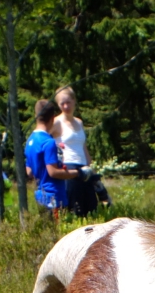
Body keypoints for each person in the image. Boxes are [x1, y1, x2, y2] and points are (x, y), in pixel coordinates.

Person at [25, 99, 78, 222]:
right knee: (58, 234)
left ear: (36, 116)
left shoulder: (30, 141)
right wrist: (77, 173)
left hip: (39, 196)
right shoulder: (48, 142)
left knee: (46, 231)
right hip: (54, 196)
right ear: (53, 118)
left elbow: (29, 172)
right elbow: (53, 172)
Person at [54, 86, 102, 215]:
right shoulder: (56, 123)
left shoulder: (79, 122)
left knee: (90, 206)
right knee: (74, 208)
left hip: (84, 167)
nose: (65, 106)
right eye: (62, 103)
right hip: (68, 167)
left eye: (68, 102)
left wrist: (92, 169)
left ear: (74, 101)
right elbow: (47, 143)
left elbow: (83, 146)